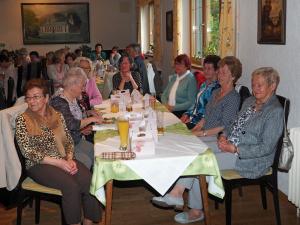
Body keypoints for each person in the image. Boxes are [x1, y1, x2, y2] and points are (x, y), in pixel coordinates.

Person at [152, 67, 283, 224]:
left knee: (202, 161)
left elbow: (266, 148)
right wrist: (224, 136)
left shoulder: (275, 111)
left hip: (248, 158)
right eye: (253, 84)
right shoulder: (249, 101)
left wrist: (235, 148)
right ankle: (179, 196)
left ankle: (185, 202)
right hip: (230, 145)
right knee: (196, 148)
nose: (255, 89)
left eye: (259, 85)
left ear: (272, 86)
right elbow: (234, 123)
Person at [15, 79, 102, 225]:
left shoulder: (56, 114)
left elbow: (68, 140)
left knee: (90, 180)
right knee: (71, 186)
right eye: (28, 98)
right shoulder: (23, 120)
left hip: (62, 158)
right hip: (39, 164)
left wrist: (69, 158)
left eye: (36, 97)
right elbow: (27, 151)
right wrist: (59, 162)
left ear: (46, 98)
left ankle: (88, 222)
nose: (32, 101)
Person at [50, 67, 102, 169]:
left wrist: (88, 112)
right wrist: (91, 119)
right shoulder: (59, 101)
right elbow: (71, 124)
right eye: (82, 86)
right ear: (72, 86)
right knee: (85, 161)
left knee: (96, 152)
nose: (83, 89)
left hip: (75, 140)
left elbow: (74, 115)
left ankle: (95, 181)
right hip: (62, 147)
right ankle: (81, 181)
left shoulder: (72, 98)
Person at [191, 56, 241, 137]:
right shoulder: (215, 92)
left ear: (233, 76)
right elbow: (205, 117)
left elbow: (224, 126)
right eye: (219, 72)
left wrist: (202, 133)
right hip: (203, 132)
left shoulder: (233, 98)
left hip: (215, 137)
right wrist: (195, 129)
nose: (220, 76)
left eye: (224, 73)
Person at [181, 55, 221, 129]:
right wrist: (187, 114)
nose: (205, 71)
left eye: (209, 69)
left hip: (201, 124)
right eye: (204, 68)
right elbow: (196, 103)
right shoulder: (204, 84)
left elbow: (209, 112)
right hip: (192, 119)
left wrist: (191, 120)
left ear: (216, 70)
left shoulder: (217, 89)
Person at [161, 54, 197, 118]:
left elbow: (191, 102)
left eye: (180, 64)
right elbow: (164, 94)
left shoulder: (191, 79)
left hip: (180, 112)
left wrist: (173, 108)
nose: (177, 66)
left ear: (186, 66)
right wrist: (166, 105)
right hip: (168, 109)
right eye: (176, 64)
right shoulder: (174, 77)